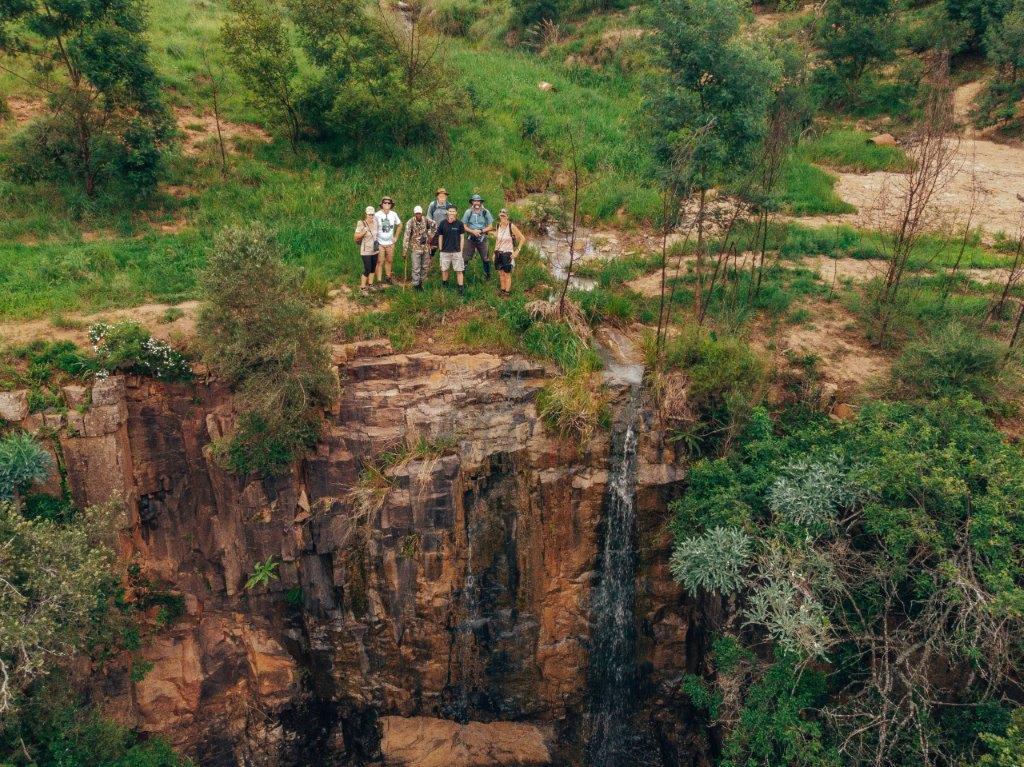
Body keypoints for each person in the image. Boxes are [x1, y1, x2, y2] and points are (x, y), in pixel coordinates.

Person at [403, 205, 437, 290]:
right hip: (415, 248)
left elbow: (435, 225)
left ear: (422, 213)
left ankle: (423, 283)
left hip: (425, 247)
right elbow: (406, 236)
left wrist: (431, 236)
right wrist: (405, 250)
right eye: (416, 213)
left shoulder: (426, 220)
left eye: (419, 213)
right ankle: (415, 285)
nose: (418, 215)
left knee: (425, 266)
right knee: (416, 267)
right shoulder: (410, 222)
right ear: (414, 213)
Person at [493, 208, 525, 297]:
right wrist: (494, 252)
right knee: (501, 273)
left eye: (504, 215)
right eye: (501, 215)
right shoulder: (497, 226)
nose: (502, 217)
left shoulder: (511, 226)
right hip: (498, 253)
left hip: (508, 253)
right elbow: (497, 241)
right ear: (499, 216)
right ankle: (502, 290)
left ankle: (507, 293)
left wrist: (517, 251)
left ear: (507, 216)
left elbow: (522, 238)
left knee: (507, 274)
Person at [462, 193, 494, 280]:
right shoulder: (468, 212)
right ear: (472, 202)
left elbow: (491, 226)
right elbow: (464, 226)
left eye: (478, 201)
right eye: (474, 201)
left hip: (482, 238)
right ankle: (461, 276)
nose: (476, 203)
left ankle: (487, 276)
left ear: (480, 202)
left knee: (485, 258)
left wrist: (480, 231)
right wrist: (472, 231)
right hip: (470, 238)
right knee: (465, 257)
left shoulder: (485, 212)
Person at [436, 205, 467, 295]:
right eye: (450, 211)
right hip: (445, 251)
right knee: (444, 270)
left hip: (457, 252)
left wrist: (461, 250)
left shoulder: (460, 224)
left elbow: (462, 238)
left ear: (456, 213)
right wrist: (441, 249)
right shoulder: (442, 223)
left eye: (453, 211)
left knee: (459, 270)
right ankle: (445, 286)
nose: (452, 213)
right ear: (447, 212)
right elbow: (440, 237)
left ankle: (460, 289)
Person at [374, 196, 402, 284]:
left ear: (391, 205)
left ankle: (388, 277)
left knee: (389, 260)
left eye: (388, 203)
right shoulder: (377, 214)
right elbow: (372, 226)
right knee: (380, 261)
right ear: (382, 204)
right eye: (385, 203)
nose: (386, 204)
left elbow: (400, 225)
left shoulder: (393, 214)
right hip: (380, 242)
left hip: (390, 242)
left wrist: (396, 237)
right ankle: (379, 281)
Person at [354, 206, 379, 295]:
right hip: (366, 251)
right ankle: (362, 288)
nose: (371, 216)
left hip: (375, 250)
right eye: (369, 215)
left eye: (372, 214)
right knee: (367, 269)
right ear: (366, 214)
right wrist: (363, 232)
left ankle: (371, 285)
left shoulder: (376, 222)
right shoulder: (361, 223)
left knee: (373, 269)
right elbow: (356, 237)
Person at [426, 187, 449, 259]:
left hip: (445, 231)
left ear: (446, 197)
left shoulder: (449, 205)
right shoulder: (433, 205)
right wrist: (431, 229)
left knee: (444, 250)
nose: (442, 197)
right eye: (440, 196)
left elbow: (451, 218)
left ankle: (443, 268)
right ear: (437, 197)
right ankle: (429, 266)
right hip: (434, 230)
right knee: (432, 250)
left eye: (444, 196)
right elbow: (428, 217)